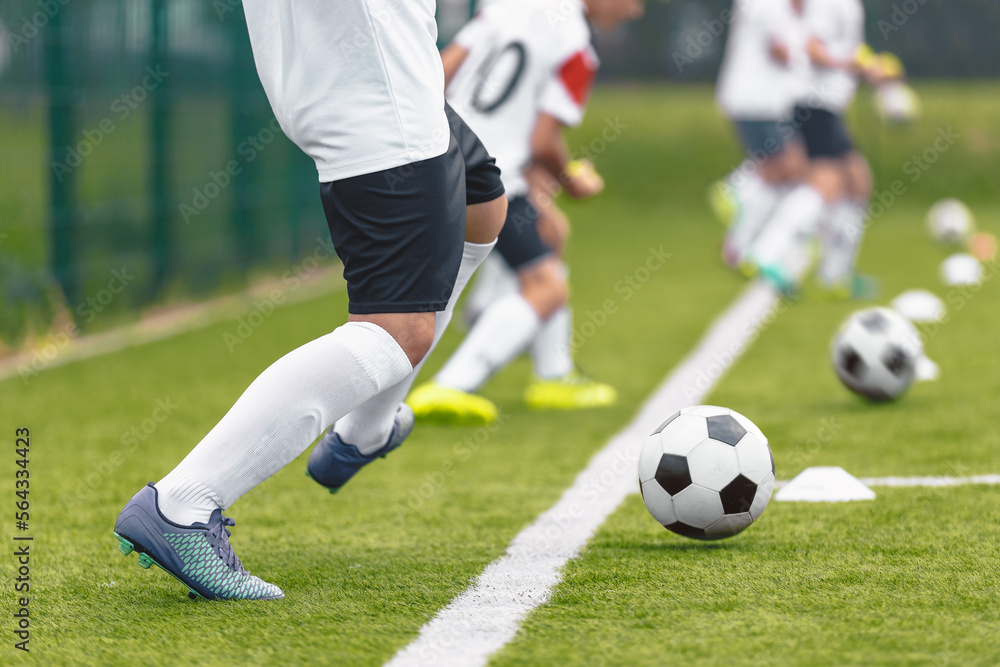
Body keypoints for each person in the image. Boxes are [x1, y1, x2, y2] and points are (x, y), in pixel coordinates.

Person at [114, 0, 508, 601]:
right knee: (397, 330)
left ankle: (365, 431)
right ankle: (182, 504)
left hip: (360, 78)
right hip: (380, 101)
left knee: (482, 208)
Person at [407, 0, 644, 425]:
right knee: (547, 288)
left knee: (551, 232)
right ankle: (455, 383)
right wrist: (574, 180)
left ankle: (553, 372)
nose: (635, 12)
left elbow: (439, 75)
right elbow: (543, 143)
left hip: (440, 156)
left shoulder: (509, 7)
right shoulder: (577, 47)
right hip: (489, 177)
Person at [712, 0, 811, 277]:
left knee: (779, 171)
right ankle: (737, 187)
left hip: (757, 99)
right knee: (791, 165)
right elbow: (779, 49)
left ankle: (738, 247)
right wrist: (817, 60)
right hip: (758, 100)